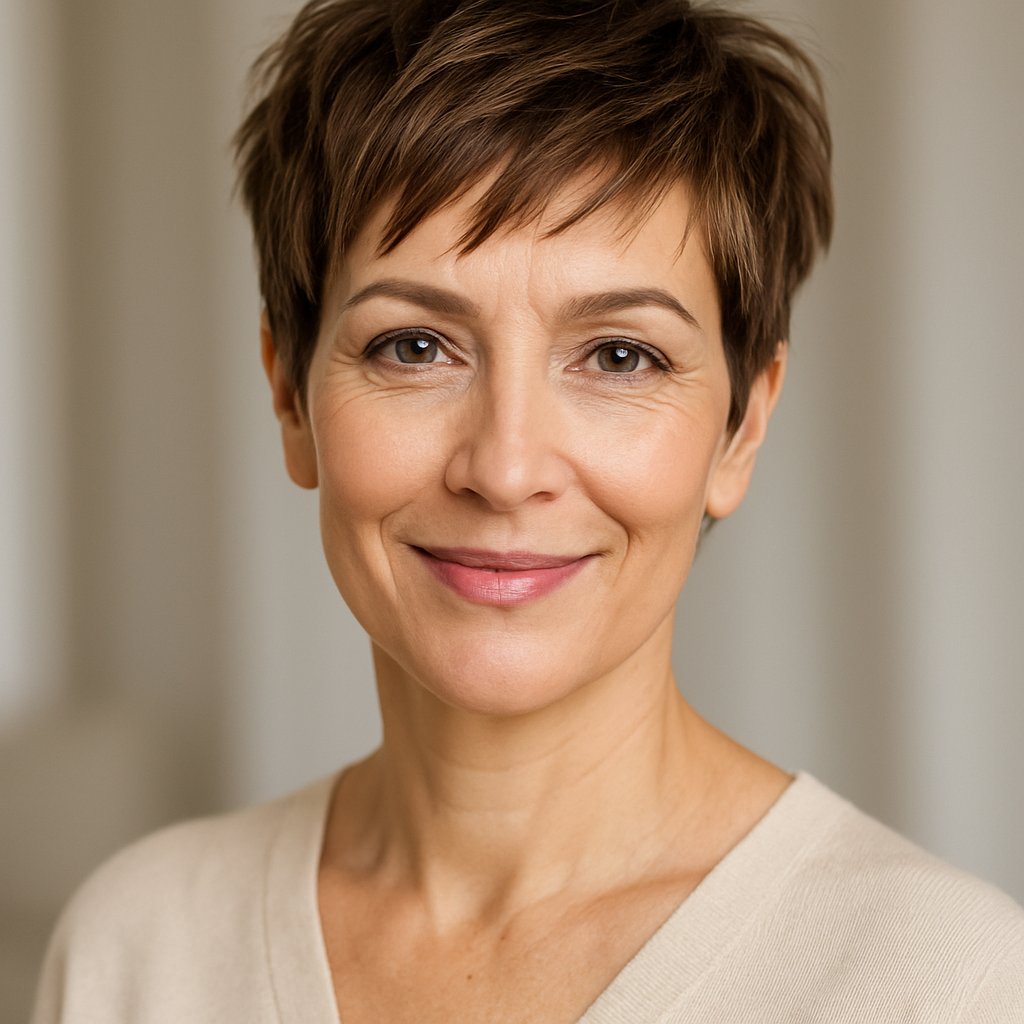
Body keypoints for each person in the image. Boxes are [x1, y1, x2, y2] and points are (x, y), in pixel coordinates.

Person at [31, 0, 1024, 1020]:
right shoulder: (140, 947)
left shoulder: (948, 981)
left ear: (741, 428)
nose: (504, 468)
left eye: (618, 356)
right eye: (414, 345)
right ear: (289, 394)